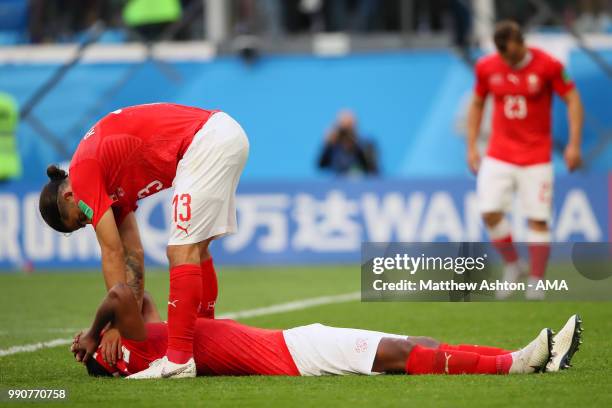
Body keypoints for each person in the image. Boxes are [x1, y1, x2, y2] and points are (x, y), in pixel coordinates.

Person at [39, 103, 249, 378]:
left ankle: (179, 360)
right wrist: (124, 322)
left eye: (80, 219)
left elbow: (112, 251)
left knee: (180, 251)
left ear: (68, 197)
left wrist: (115, 327)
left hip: (205, 140)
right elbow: (133, 254)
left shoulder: (83, 172)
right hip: (223, 134)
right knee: (197, 249)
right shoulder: (106, 179)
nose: (89, 221)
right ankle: (202, 334)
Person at [72, 282, 583, 378]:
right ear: (112, 356)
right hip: (296, 356)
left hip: (295, 343)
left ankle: (541, 353)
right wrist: (98, 329)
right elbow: (122, 295)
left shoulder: (155, 350)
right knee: (404, 352)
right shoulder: (139, 350)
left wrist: (104, 332)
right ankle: (515, 364)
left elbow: (137, 299)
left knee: (416, 346)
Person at [466, 21, 584, 300]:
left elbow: (573, 99)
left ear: (522, 43)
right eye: (504, 56)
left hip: (536, 156)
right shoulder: (486, 67)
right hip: (499, 153)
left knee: (537, 219)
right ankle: (513, 264)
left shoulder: (549, 66)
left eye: (513, 55)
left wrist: (574, 145)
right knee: (489, 212)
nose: (509, 61)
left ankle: (536, 281)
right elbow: (477, 103)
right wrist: (471, 146)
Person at [318, 110, 378, 176]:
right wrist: (327, 145)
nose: (346, 135)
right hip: (339, 183)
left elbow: (373, 168)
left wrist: (356, 144)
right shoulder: (334, 147)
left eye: (349, 129)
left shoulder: (366, 144)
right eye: (343, 130)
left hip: (362, 183)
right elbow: (321, 165)